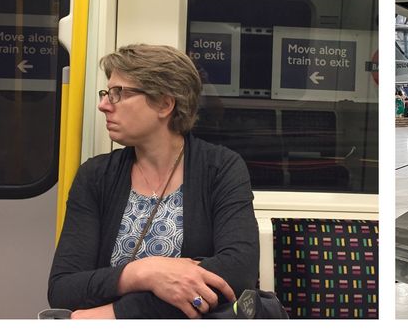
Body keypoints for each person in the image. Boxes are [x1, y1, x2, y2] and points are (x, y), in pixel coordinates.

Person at [48, 44, 259, 319]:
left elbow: (237, 272)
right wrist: (144, 272)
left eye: (118, 93)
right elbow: (63, 288)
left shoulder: (221, 168)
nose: (103, 105)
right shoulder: (96, 176)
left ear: (164, 104)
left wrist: (118, 313)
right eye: (106, 93)